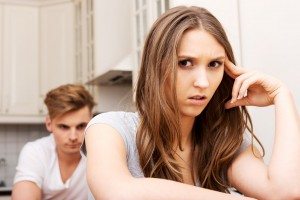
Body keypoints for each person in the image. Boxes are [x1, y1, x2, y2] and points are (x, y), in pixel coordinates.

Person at [85, 6, 300, 200]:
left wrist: (282, 96)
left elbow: (285, 191)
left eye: (214, 64)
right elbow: (118, 193)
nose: (203, 82)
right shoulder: (111, 129)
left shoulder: (224, 144)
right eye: (185, 63)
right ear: (156, 66)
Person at [12, 84, 96, 200]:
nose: (73, 137)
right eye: (64, 127)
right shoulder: (36, 152)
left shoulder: (100, 154)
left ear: (91, 121)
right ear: (49, 124)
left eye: (81, 126)